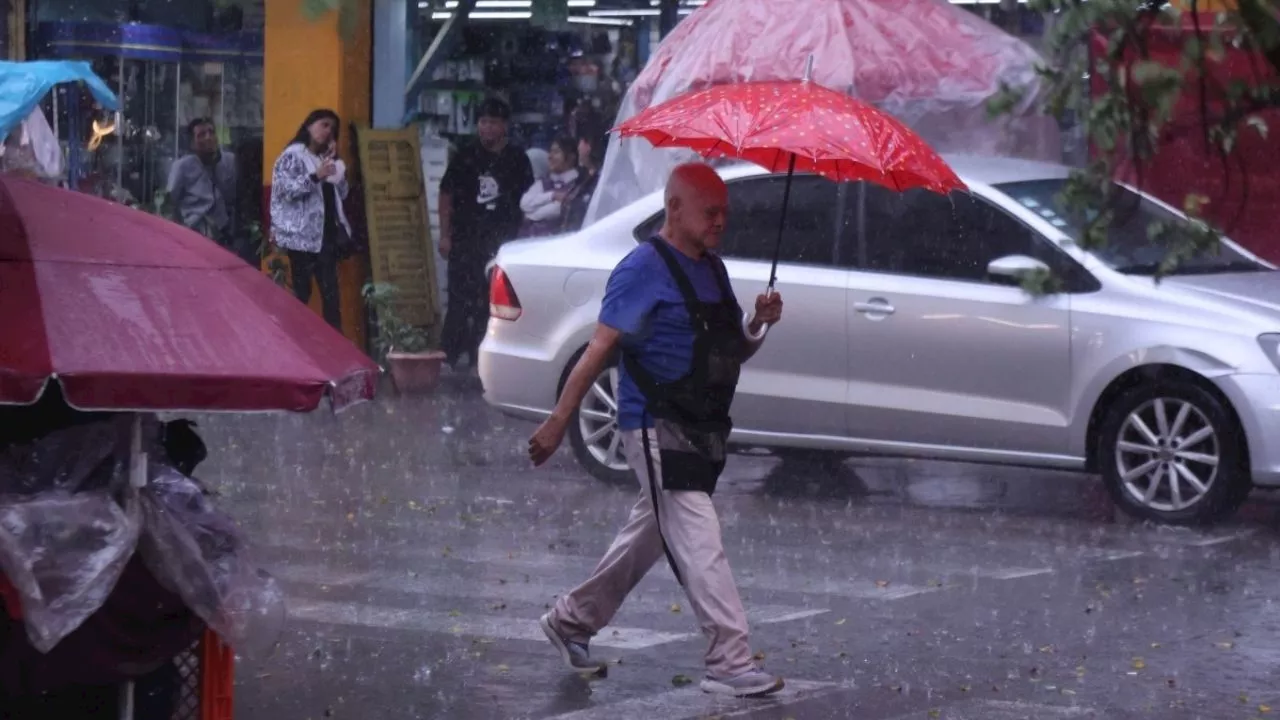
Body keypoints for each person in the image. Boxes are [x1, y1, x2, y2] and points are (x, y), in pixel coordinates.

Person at [527, 163, 786, 698]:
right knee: (698, 535)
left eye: (724, 214)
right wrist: (558, 422)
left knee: (649, 534)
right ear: (674, 208)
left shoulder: (711, 269)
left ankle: (571, 620)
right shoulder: (642, 268)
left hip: (699, 425)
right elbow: (598, 349)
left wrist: (758, 322)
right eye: (710, 212)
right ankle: (730, 660)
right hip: (652, 423)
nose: (720, 222)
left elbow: (732, 348)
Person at [437, 97, 534, 370]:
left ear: (504, 126)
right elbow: (446, 195)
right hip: (465, 238)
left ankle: (485, 357)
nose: (486, 128)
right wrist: (445, 234)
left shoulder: (517, 159)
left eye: (492, 122)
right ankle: (449, 355)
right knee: (458, 298)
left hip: (501, 242)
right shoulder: (465, 155)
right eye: (482, 122)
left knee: (491, 301)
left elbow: (529, 201)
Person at [269, 109, 353, 330]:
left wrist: (336, 166)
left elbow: (341, 193)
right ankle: (296, 343)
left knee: (331, 297)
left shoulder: (323, 158)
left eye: (332, 129)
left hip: (325, 236)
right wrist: (315, 176)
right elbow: (285, 190)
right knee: (302, 293)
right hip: (302, 239)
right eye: (324, 125)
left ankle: (336, 350)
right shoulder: (293, 155)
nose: (328, 132)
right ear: (309, 125)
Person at [165, 118, 240, 258]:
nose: (208, 138)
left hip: (226, 234)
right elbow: (169, 202)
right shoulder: (182, 167)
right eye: (201, 135)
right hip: (196, 234)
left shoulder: (229, 161)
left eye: (211, 132)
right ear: (192, 143)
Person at [519, 136, 579, 238]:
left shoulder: (577, 184)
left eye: (556, 152)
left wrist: (530, 216)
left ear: (571, 157)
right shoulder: (544, 182)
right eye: (550, 151)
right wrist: (552, 196)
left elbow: (557, 210)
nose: (550, 156)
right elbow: (524, 203)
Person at [559, 128, 604, 233]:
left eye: (581, 142)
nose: (578, 147)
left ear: (589, 146)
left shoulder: (602, 183)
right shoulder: (583, 178)